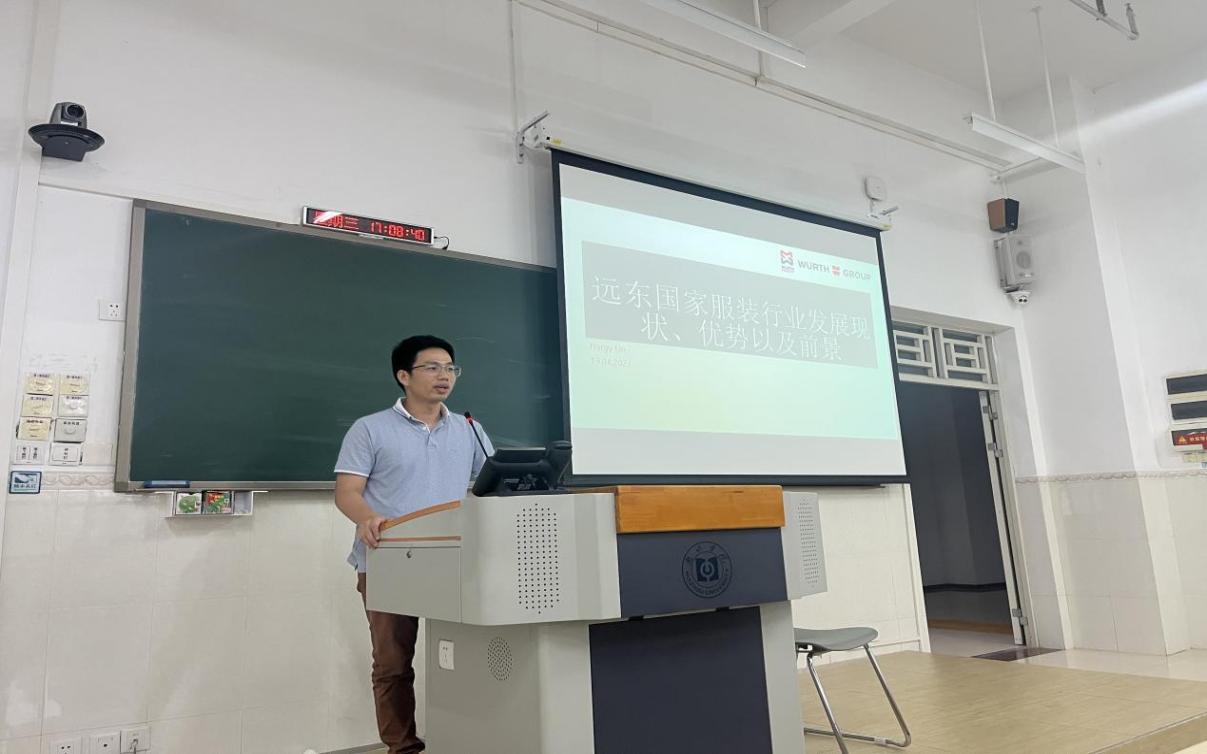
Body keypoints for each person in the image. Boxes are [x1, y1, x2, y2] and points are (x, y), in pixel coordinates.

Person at [334, 334, 493, 754]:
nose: (445, 376)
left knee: (466, 655)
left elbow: (495, 484)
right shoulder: (370, 429)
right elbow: (347, 492)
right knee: (392, 664)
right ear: (403, 376)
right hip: (388, 561)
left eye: (450, 368)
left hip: (453, 558)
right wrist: (367, 518)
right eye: (432, 367)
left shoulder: (469, 429)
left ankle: (465, 738)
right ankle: (402, 747)